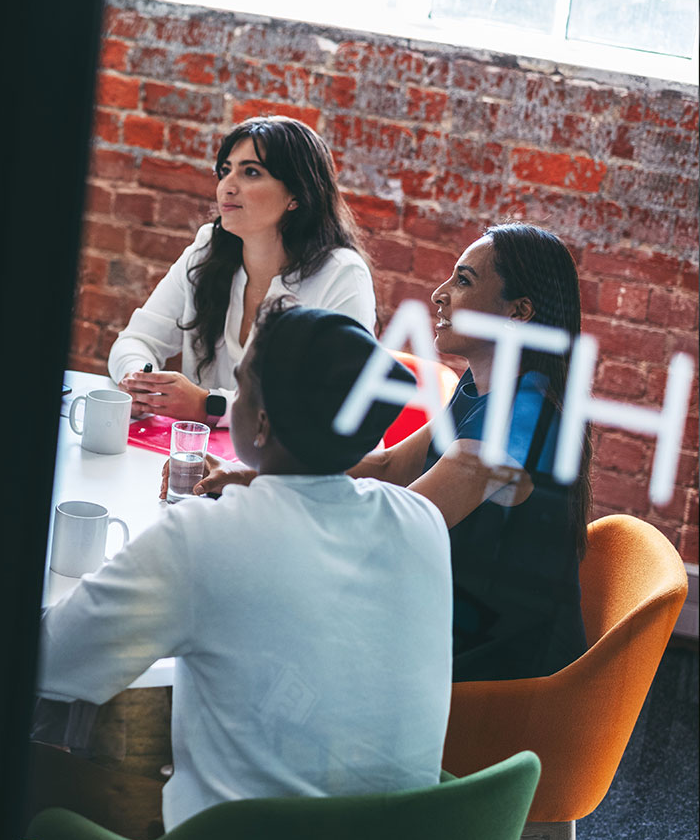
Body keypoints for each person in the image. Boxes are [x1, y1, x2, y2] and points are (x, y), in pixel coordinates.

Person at [42, 302, 451, 830]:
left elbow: (48, 661)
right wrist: (254, 480)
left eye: (239, 385)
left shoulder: (203, 535)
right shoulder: (422, 520)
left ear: (259, 423)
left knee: (22, 761)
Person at [198, 225, 591, 681]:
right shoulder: (483, 385)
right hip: (444, 610)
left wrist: (271, 487)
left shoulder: (520, 421)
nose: (440, 294)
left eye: (463, 281)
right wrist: (258, 474)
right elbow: (388, 467)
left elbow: (388, 527)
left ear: (518, 312)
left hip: (497, 664)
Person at [109, 115, 375, 426]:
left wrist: (211, 406)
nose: (227, 187)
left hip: (298, 469)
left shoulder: (341, 275)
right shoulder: (207, 248)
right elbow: (136, 340)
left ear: (296, 195)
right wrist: (140, 381)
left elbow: (336, 404)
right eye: (224, 171)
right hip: (201, 459)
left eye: (250, 172)